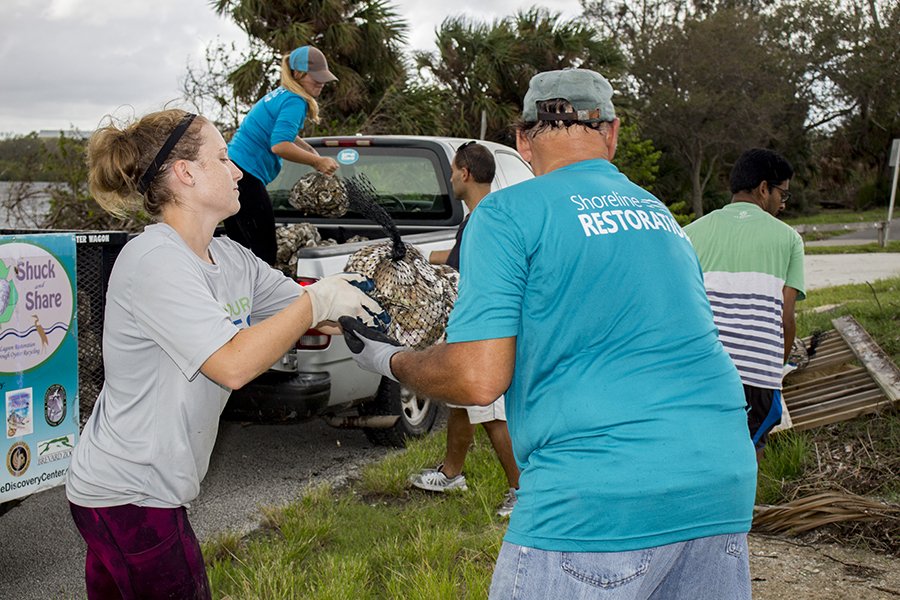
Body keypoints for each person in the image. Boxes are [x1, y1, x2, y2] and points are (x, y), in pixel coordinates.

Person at [341, 69, 758, 599]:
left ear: (522, 138)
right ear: (612, 133)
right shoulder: (660, 215)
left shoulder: (507, 214)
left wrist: (389, 359)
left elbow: (477, 378)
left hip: (597, 499)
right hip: (717, 485)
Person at [65, 108, 383, 600]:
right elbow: (233, 364)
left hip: (149, 490)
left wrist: (382, 301)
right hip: (128, 493)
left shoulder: (229, 256)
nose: (238, 170)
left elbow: (307, 311)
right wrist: (320, 300)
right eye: (223, 158)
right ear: (185, 173)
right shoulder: (154, 262)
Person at [412, 141, 520, 518]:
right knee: (461, 405)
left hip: (483, 329)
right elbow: (460, 258)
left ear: (466, 173)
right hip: (472, 326)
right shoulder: (482, 215)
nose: (451, 176)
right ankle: (452, 473)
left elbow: (467, 265)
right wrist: (425, 256)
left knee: (491, 414)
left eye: (454, 170)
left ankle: (522, 491)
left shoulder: (485, 218)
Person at [685, 148, 805, 458]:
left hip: (701, 371)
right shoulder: (788, 238)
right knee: (748, 455)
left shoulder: (689, 233)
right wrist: (775, 368)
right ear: (764, 188)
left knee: (703, 452)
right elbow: (786, 318)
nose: (783, 203)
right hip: (756, 380)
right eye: (783, 194)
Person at [225, 45, 340, 264]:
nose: (321, 83)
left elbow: (279, 132)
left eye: (323, 77)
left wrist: (306, 148)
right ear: (298, 74)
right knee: (264, 251)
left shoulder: (282, 94)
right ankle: (265, 298)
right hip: (245, 175)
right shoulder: (295, 101)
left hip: (232, 171)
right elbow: (279, 145)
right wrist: (317, 162)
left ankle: (239, 295)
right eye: (316, 77)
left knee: (239, 249)